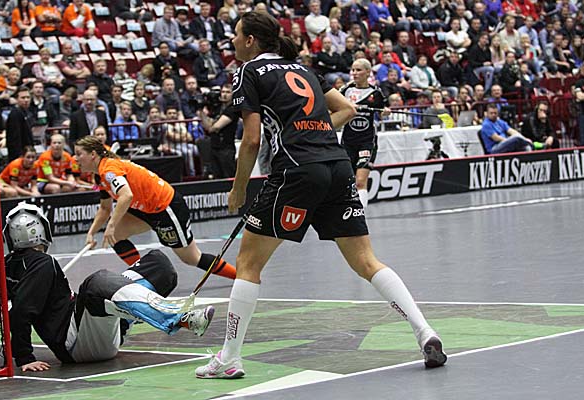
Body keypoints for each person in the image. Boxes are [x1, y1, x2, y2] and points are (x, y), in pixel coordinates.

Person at [194, 11, 446, 379]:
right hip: (337, 165)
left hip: (296, 171)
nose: (231, 41)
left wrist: (239, 188)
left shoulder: (248, 71)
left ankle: (229, 358)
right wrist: (312, 132)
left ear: (250, 40)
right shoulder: (304, 69)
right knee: (366, 261)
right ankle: (425, 331)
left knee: (248, 264)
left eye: (235, 34)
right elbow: (347, 108)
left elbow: (250, 140)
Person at [3, 203, 215, 372]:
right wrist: (25, 358)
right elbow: (21, 311)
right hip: (75, 342)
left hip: (89, 331)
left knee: (156, 263)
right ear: (43, 229)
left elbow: (13, 309)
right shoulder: (42, 263)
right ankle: (179, 317)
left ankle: (128, 315)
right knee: (96, 283)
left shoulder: (7, 266)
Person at [74, 135, 236, 279]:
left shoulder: (109, 170)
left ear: (93, 154)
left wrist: (110, 225)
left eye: (79, 154)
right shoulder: (99, 176)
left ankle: (240, 277)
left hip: (165, 208)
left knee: (192, 258)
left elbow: (126, 195)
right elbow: (105, 208)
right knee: (116, 235)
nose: (75, 158)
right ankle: (144, 275)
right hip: (145, 210)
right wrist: (91, 233)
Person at [340, 59, 389, 208]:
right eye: (353, 70)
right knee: (346, 181)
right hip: (348, 141)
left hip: (367, 141)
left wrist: (385, 112)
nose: (354, 73)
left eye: (358, 70)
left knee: (360, 181)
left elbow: (382, 112)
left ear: (368, 72)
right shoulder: (345, 90)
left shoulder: (376, 93)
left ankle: (360, 213)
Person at [5, 86, 33, 161]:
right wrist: (19, 157)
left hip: (27, 153)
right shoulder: (15, 114)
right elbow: (15, 138)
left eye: (28, 97)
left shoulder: (27, 112)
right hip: (19, 156)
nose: (26, 100)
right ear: (17, 99)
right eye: (23, 98)